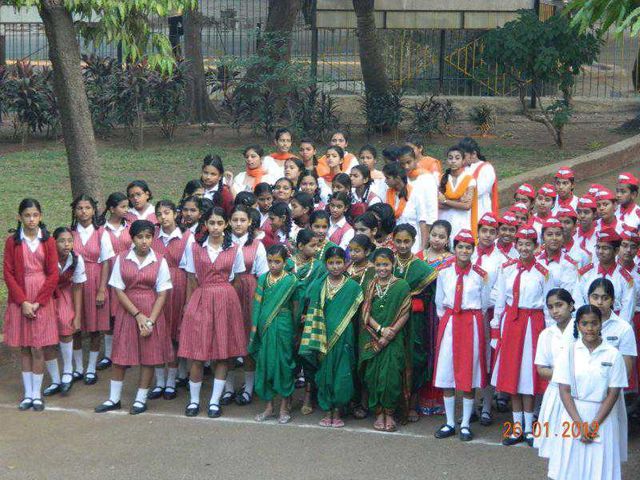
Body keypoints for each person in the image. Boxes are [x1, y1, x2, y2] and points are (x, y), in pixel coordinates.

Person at [94, 220, 173, 415]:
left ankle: (141, 399)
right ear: (133, 238)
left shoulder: (160, 260)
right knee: (121, 357)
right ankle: (114, 398)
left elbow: (162, 293)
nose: (144, 241)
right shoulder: (121, 258)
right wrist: (138, 315)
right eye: (140, 237)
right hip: (128, 312)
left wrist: (150, 321)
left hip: (151, 310)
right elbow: (118, 290)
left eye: (148, 237)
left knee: (149, 357)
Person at [178, 207, 247, 418]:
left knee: (222, 354)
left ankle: (215, 401)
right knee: (198, 355)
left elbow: (236, 279)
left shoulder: (235, 249)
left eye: (219, 223)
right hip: (201, 299)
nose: (215, 227)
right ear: (205, 224)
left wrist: (226, 300)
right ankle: (194, 401)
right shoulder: (194, 247)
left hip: (226, 302)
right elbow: (191, 278)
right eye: (211, 223)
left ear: (225, 224)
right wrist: (190, 306)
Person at [549, 305, 628, 480]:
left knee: (601, 470)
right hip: (573, 417)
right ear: (578, 325)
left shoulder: (613, 355)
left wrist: (593, 426)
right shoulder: (568, 353)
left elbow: (613, 393)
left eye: (594, 323)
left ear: (601, 324)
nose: (590, 328)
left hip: (603, 418)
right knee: (570, 469)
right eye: (584, 323)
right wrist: (580, 425)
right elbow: (564, 390)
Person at [491, 225, 548, 447]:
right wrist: (496, 328)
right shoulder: (507, 269)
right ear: (515, 246)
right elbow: (499, 301)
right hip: (512, 324)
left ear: (535, 247)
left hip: (533, 324)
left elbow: (546, 304)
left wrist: (548, 334)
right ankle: (515, 427)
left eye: (529, 244)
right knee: (512, 375)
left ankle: (529, 427)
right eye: (520, 244)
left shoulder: (543, 272)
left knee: (529, 376)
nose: (524, 248)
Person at [433, 229, 490, 441]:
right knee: (446, 372)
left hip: (470, 322)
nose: (464, 251)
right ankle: (449, 422)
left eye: (468, 247)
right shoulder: (444, 272)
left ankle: (465, 423)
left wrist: (470, 319)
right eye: (460, 247)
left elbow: (484, 304)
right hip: (449, 322)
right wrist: (447, 320)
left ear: (473, 250)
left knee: (469, 372)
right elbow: (439, 302)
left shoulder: (481, 275)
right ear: (454, 248)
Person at [4, 199, 59, 411]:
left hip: (41, 298)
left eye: (35, 215)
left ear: (41, 216)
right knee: (25, 348)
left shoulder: (49, 241)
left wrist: (37, 302)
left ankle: (37, 393)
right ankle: (28, 393)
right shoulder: (13, 242)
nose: (31, 219)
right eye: (27, 215)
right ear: (19, 217)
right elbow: (8, 273)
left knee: (38, 348)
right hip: (21, 297)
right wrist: (23, 301)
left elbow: (53, 274)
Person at [299, 246, 364, 428]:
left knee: (343, 372)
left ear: (345, 264)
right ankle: (328, 411)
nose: (335, 266)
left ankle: (338, 411)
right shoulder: (320, 284)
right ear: (325, 264)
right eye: (331, 263)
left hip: (344, 335)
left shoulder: (353, 287)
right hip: (323, 334)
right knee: (325, 373)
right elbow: (312, 308)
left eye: (339, 262)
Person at [358, 248, 412, 432]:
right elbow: (365, 312)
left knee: (391, 377)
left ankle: (389, 413)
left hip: (394, 338)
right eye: (379, 265)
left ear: (393, 264)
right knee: (372, 376)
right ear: (374, 265)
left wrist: (391, 333)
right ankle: (378, 413)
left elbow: (405, 312)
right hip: (372, 337)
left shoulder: (402, 285)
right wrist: (381, 330)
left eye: (386, 264)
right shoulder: (369, 285)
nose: (382, 268)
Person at [222, 205, 269, 407]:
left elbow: (263, 275)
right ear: (229, 222)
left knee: (247, 343)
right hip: (226, 293)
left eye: (243, 220)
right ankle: (228, 388)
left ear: (250, 222)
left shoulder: (257, 245)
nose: (239, 224)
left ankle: (249, 388)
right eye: (235, 220)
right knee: (228, 342)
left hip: (249, 293)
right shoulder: (221, 243)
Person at [392, 224, 438, 423]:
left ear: (413, 241)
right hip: (390, 319)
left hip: (414, 322)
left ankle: (412, 404)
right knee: (393, 361)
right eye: (398, 241)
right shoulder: (386, 263)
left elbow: (430, 298)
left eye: (407, 241)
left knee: (414, 360)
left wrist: (414, 302)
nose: (402, 245)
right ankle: (392, 405)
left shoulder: (422, 269)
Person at [149, 201, 192, 401]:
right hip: (156, 288)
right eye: (159, 214)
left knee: (173, 334)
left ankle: (171, 381)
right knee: (158, 334)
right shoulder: (153, 236)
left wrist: (188, 300)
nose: (163, 217)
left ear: (175, 214)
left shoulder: (186, 237)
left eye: (167, 213)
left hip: (177, 286)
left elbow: (191, 270)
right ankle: (159, 381)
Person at [250, 244, 299, 424]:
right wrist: (257, 328)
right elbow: (258, 306)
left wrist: (295, 331)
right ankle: (269, 407)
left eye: (277, 261)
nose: (273, 265)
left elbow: (295, 306)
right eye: (270, 261)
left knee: (284, 365)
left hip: (284, 326)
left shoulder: (291, 281)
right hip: (265, 328)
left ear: (285, 262)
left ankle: (284, 407)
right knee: (265, 365)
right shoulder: (263, 279)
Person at [71, 195, 110, 386]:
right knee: (75, 327)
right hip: (74, 284)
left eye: (87, 208)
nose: (83, 212)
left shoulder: (102, 233)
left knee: (95, 329)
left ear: (94, 210)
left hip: (95, 281)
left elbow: (105, 263)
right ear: (74, 211)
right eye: (79, 208)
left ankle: (91, 368)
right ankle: (78, 368)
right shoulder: (69, 233)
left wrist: (102, 289)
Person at [43, 227, 86, 397]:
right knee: (47, 337)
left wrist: (77, 315)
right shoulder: (46, 258)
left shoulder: (76, 259)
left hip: (65, 293)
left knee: (67, 328)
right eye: (62, 241)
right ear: (53, 242)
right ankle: (55, 379)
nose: (66, 244)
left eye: (69, 241)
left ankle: (68, 371)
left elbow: (77, 287)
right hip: (46, 295)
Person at [533, 289, 574, 464]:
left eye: (559, 305)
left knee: (576, 443)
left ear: (571, 305)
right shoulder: (546, 334)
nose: (555, 311)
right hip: (555, 393)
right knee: (555, 447)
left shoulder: (582, 329)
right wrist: (567, 374)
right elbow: (541, 369)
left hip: (578, 394)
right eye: (550, 307)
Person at [98, 192, 131, 370]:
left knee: (124, 315)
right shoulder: (102, 229)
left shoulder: (129, 227)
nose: (126, 210)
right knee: (109, 318)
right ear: (111, 209)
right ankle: (109, 354)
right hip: (108, 274)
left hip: (126, 276)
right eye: (123, 206)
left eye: (127, 206)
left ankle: (125, 352)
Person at [573, 229, 635, 323]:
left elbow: (627, 310)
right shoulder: (585, 273)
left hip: (615, 324)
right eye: (598, 247)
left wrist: (617, 329)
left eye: (605, 248)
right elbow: (578, 300)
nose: (600, 251)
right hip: (587, 323)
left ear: (616, 251)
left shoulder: (626, 278)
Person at [383, 161, 430, 253]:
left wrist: (423, 249)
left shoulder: (415, 193)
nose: (385, 181)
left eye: (387, 178)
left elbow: (422, 222)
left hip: (412, 243)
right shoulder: (388, 193)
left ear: (397, 178)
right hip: (393, 242)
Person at [438, 145, 476, 240]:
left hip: (461, 222)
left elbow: (467, 206)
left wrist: (446, 201)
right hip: (444, 220)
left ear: (463, 161)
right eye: (450, 158)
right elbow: (438, 204)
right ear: (447, 160)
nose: (453, 161)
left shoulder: (469, 179)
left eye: (457, 158)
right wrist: (459, 202)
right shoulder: (441, 178)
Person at [459, 137, 498, 218]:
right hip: (463, 212)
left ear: (473, 154)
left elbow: (479, 190)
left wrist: (456, 194)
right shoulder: (462, 168)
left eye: (464, 156)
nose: (461, 159)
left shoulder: (486, 168)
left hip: (480, 211)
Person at [575, 195, 598, 261]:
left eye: (586, 212)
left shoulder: (600, 236)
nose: (582, 216)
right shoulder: (571, 235)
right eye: (579, 212)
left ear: (595, 214)